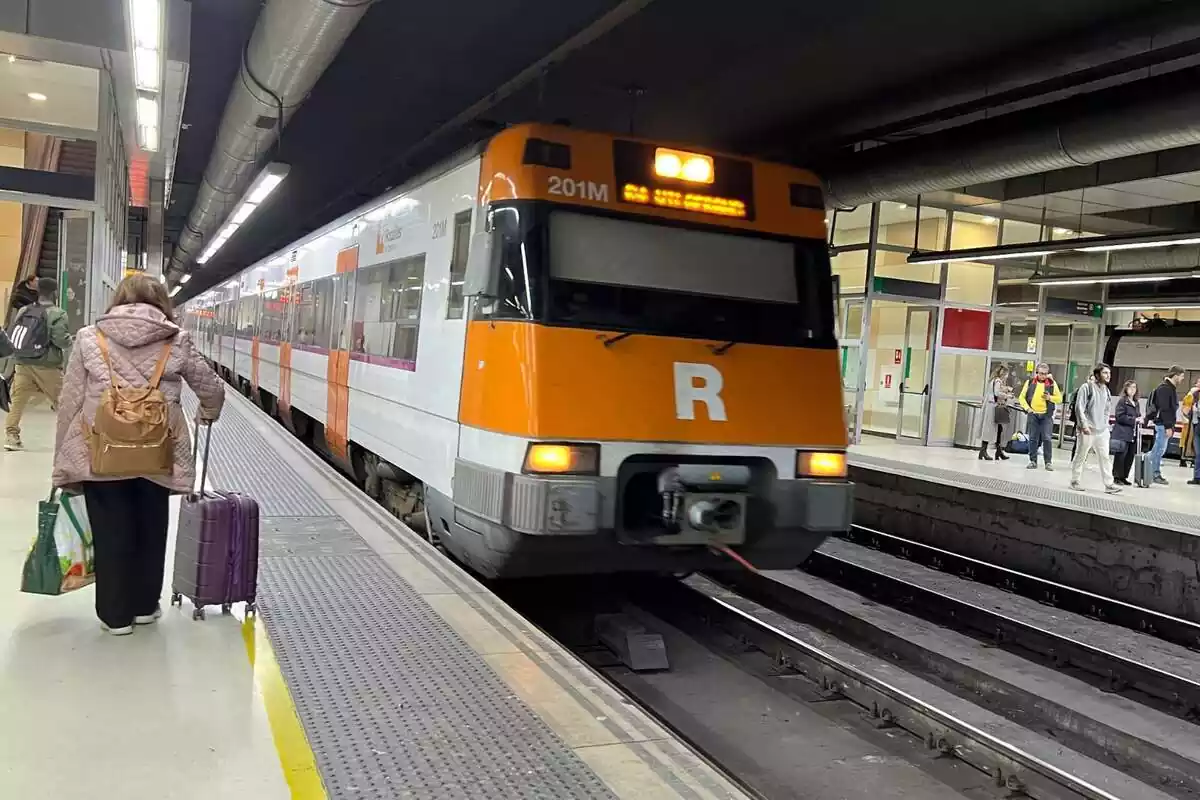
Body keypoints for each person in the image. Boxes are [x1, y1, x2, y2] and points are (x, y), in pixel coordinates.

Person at [51, 274, 225, 636]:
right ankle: (145, 606)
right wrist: (207, 411)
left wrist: (63, 460)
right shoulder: (177, 339)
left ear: (118, 298)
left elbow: (70, 401)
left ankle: (116, 617)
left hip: (101, 450)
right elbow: (211, 387)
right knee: (151, 528)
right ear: (161, 302)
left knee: (110, 532)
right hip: (156, 450)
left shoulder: (88, 337)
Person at [4, 277, 71, 451]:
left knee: (18, 401)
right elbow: (61, 341)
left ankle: (11, 436)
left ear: (37, 291)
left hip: (23, 362)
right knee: (64, 402)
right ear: (55, 292)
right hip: (47, 365)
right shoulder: (58, 313)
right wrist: (69, 340)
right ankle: (70, 439)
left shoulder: (24, 310)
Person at [1070, 364, 1119, 494]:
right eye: (1105, 373)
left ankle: (1109, 484)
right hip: (1088, 429)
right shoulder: (1087, 387)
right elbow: (1079, 407)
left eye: (1109, 373)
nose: (1108, 375)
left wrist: (1105, 425)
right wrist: (1084, 425)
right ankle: (1075, 481)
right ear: (1097, 375)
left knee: (1105, 457)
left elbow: (1107, 410)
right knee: (1081, 455)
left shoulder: (1106, 391)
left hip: (1102, 430)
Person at [1018, 363, 1063, 471]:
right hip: (1033, 414)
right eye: (1041, 373)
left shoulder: (1052, 384)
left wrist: (1049, 398)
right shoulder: (1029, 382)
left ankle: (1048, 462)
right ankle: (1033, 461)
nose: (1043, 376)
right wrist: (1028, 409)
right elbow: (1021, 397)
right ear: (1037, 373)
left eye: (1045, 374)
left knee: (1047, 438)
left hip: (1046, 416)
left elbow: (1059, 399)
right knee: (1033, 438)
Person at [1146, 365, 1185, 486]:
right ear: (1175, 375)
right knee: (1158, 450)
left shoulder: (1170, 388)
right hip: (1163, 424)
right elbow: (1165, 409)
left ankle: (1147, 468)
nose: (1183, 379)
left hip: (1164, 424)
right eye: (1182, 376)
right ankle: (1154, 473)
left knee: (1158, 450)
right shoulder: (1165, 388)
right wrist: (1168, 426)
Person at [978, 364, 1012, 461]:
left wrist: (1004, 389)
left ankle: (996, 451)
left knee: (997, 429)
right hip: (992, 407)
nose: (1007, 376)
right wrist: (1007, 396)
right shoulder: (997, 381)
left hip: (990, 405)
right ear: (1003, 373)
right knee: (990, 429)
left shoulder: (993, 380)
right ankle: (985, 451)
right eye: (1006, 374)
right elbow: (997, 393)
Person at [1111, 380, 1140, 486]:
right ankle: (1117, 476)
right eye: (1130, 387)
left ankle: (1124, 476)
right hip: (1122, 433)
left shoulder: (1136, 403)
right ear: (1126, 389)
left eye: (1134, 388)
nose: (1133, 390)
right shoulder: (1123, 401)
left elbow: (1138, 415)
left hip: (1133, 434)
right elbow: (1120, 416)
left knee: (1129, 456)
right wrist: (1133, 420)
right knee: (1121, 455)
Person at [1180, 378, 1200, 468]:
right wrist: (1186, 417)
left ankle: (1193, 460)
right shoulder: (1191, 394)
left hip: (1194, 421)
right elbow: (1185, 407)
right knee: (1186, 440)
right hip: (1190, 421)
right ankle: (1183, 459)